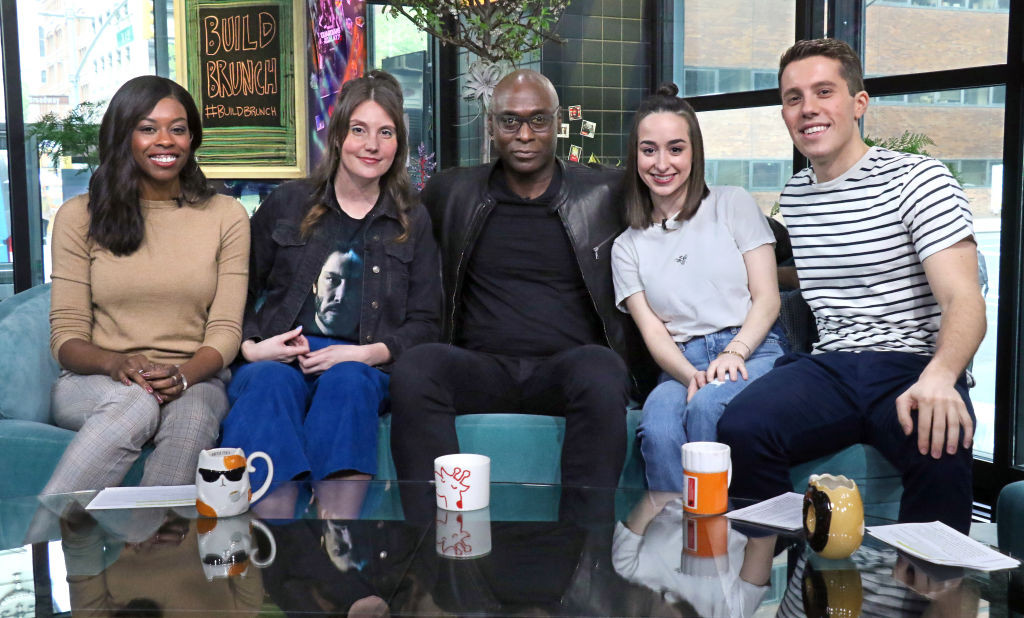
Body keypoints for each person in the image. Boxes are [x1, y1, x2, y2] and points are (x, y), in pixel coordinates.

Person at [717, 38, 985, 533]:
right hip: (833, 366)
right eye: (794, 98)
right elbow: (824, 270)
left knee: (942, 443)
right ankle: (782, 559)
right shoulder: (796, 196)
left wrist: (942, 375)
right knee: (743, 426)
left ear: (859, 103)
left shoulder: (917, 178)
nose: (808, 108)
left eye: (824, 92)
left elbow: (962, 297)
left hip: (912, 364)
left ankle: (928, 578)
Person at [388, 69, 652, 514]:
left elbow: (682, 208)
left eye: (538, 120)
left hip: (566, 368)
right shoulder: (451, 191)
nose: (525, 135)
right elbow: (391, 230)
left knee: (603, 369)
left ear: (557, 124)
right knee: (417, 368)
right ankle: (428, 539)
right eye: (510, 121)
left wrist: (759, 249)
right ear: (491, 126)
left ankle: (584, 544)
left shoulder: (605, 193)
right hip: (480, 368)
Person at [219, 70, 441, 520]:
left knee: (348, 383)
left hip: (361, 365)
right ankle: (277, 543)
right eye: (359, 130)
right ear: (338, 136)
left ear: (398, 144)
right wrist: (252, 346)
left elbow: (427, 322)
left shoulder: (411, 219)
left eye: (385, 133)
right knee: (268, 382)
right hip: (277, 357)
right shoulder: (288, 202)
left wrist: (365, 355)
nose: (371, 145)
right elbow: (234, 288)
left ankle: (338, 540)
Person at [44, 75, 249, 495]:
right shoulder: (78, 216)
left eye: (178, 129)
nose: (165, 140)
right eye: (148, 128)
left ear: (192, 139)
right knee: (135, 403)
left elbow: (226, 330)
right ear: (124, 136)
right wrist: (114, 364)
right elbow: (66, 336)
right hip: (96, 380)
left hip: (195, 379)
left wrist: (183, 376)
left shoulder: (226, 215)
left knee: (192, 418)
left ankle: (152, 535)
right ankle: (56, 527)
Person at [611, 84, 784, 492]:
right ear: (636, 156)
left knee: (707, 407)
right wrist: (692, 374)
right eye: (649, 150)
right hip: (680, 363)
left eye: (675, 149)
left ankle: (716, 525)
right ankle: (676, 527)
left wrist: (733, 352)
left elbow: (768, 298)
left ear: (694, 153)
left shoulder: (732, 203)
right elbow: (654, 333)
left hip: (753, 350)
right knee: (658, 429)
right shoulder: (626, 246)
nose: (662, 163)